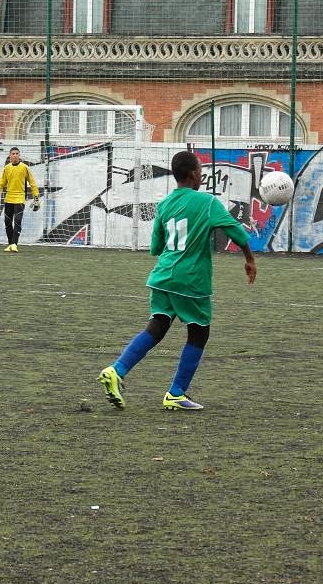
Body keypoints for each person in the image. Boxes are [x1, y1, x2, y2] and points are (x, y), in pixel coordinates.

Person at [98, 150, 257, 411]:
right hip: (190, 281)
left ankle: (117, 370)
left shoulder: (165, 205)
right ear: (194, 174)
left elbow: (156, 246)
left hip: (162, 276)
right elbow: (235, 231)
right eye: (201, 170)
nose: (202, 174)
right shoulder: (207, 202)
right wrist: (249, 259)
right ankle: (176, 393)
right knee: (199, 332)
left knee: (158, 326)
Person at [0, 146, 40, 253]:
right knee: (7, 222)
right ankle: (10, 244)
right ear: (10, 155)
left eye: (17, 153)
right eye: (13, 154)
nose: (15, 155)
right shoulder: (6, 168)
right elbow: (0, 184)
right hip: (8, 199)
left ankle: (14, 244)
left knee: (17, 221)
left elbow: (33, 183)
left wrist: (36, 198)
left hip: (20, 199)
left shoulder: (25, 168)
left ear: (19, 155)